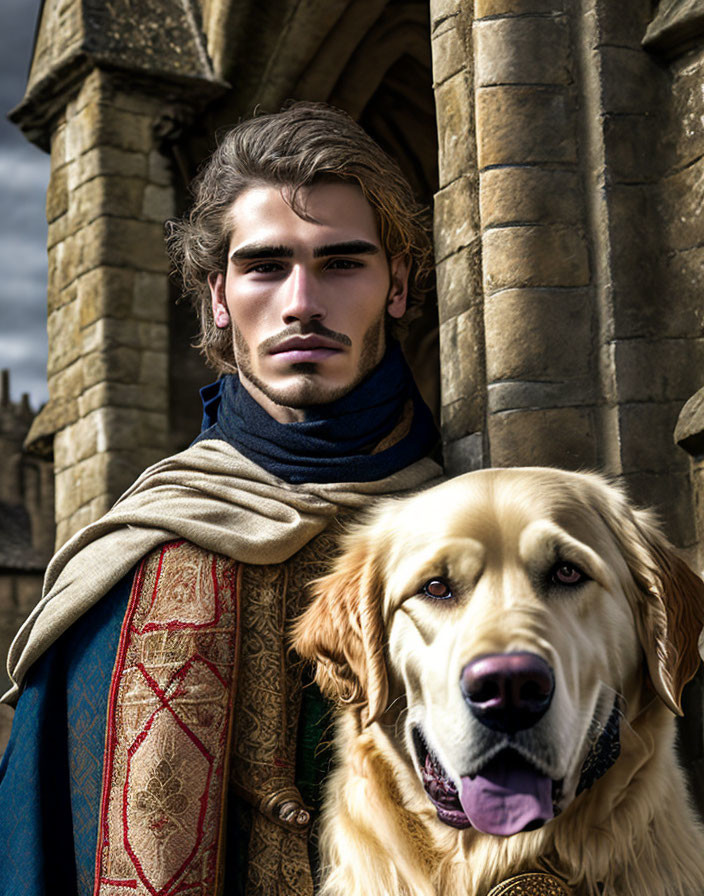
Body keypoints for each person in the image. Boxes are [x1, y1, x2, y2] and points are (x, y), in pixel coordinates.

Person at [0, 102, 441, 895]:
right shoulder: (123, 570)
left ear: (398, 284)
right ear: (217, 296)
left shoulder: (482, 532)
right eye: (266, 266)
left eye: (342, 263)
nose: (302, 301)